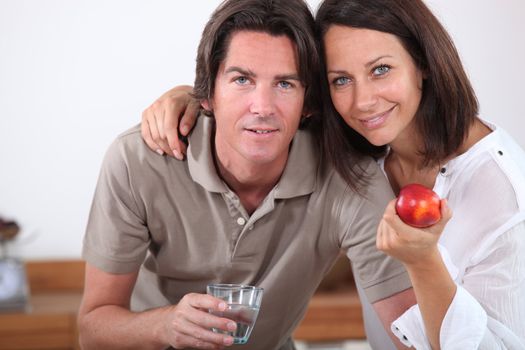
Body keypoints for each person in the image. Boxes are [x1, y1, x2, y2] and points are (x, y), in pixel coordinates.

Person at [142, 0, 525, 348]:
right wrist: (195, 99)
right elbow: (267, 103)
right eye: (341, 79)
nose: (362, 101)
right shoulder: (359, 144)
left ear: (423, 62)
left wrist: (424, 262)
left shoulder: (504, 192)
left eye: (381, 70)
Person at [78, 1, 415, 349]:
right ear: (207, 95)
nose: (263, 107)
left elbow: (409, 335)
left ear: (309, 103)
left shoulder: (349, 180)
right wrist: (166, 326)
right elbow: (93, 330)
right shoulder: (138, 160)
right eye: (242, 80)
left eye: (284, 84)